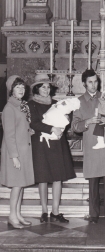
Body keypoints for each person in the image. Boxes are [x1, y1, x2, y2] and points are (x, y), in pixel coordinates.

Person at [72, 69, 105, 224]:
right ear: (84, 83)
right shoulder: (78, 101)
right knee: (93, 181)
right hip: (92, 144)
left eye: (95, 82)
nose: (94, 85)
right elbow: (75, 126)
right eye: (90, 82)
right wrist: (87, 122)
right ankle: (93, 214)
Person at [28, 73, 76, 223]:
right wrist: (51, 129)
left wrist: (66, 119)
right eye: (43, 87)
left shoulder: (55, 103)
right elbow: (34, 123)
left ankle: (55, 211)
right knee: (43, 177)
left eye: (48, 87)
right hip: (41, 144)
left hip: (57, 143)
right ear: (36, 89)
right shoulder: (31, 105)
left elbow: (67, 115)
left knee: (57, 177)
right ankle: (44, 211)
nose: (46, 90)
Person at [0, 75, 34, 229]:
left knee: (21, 185)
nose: (21, 90)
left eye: (22, 87)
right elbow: (9, 134)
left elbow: (21, 127)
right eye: (17, 87)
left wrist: (30, 131)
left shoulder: (21, 105)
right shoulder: (9, 108)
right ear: (11, 90)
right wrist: (14, 157)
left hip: (24, 150)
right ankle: (12, 216)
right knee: (16, 185)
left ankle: (18, 214)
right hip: (15, 153)